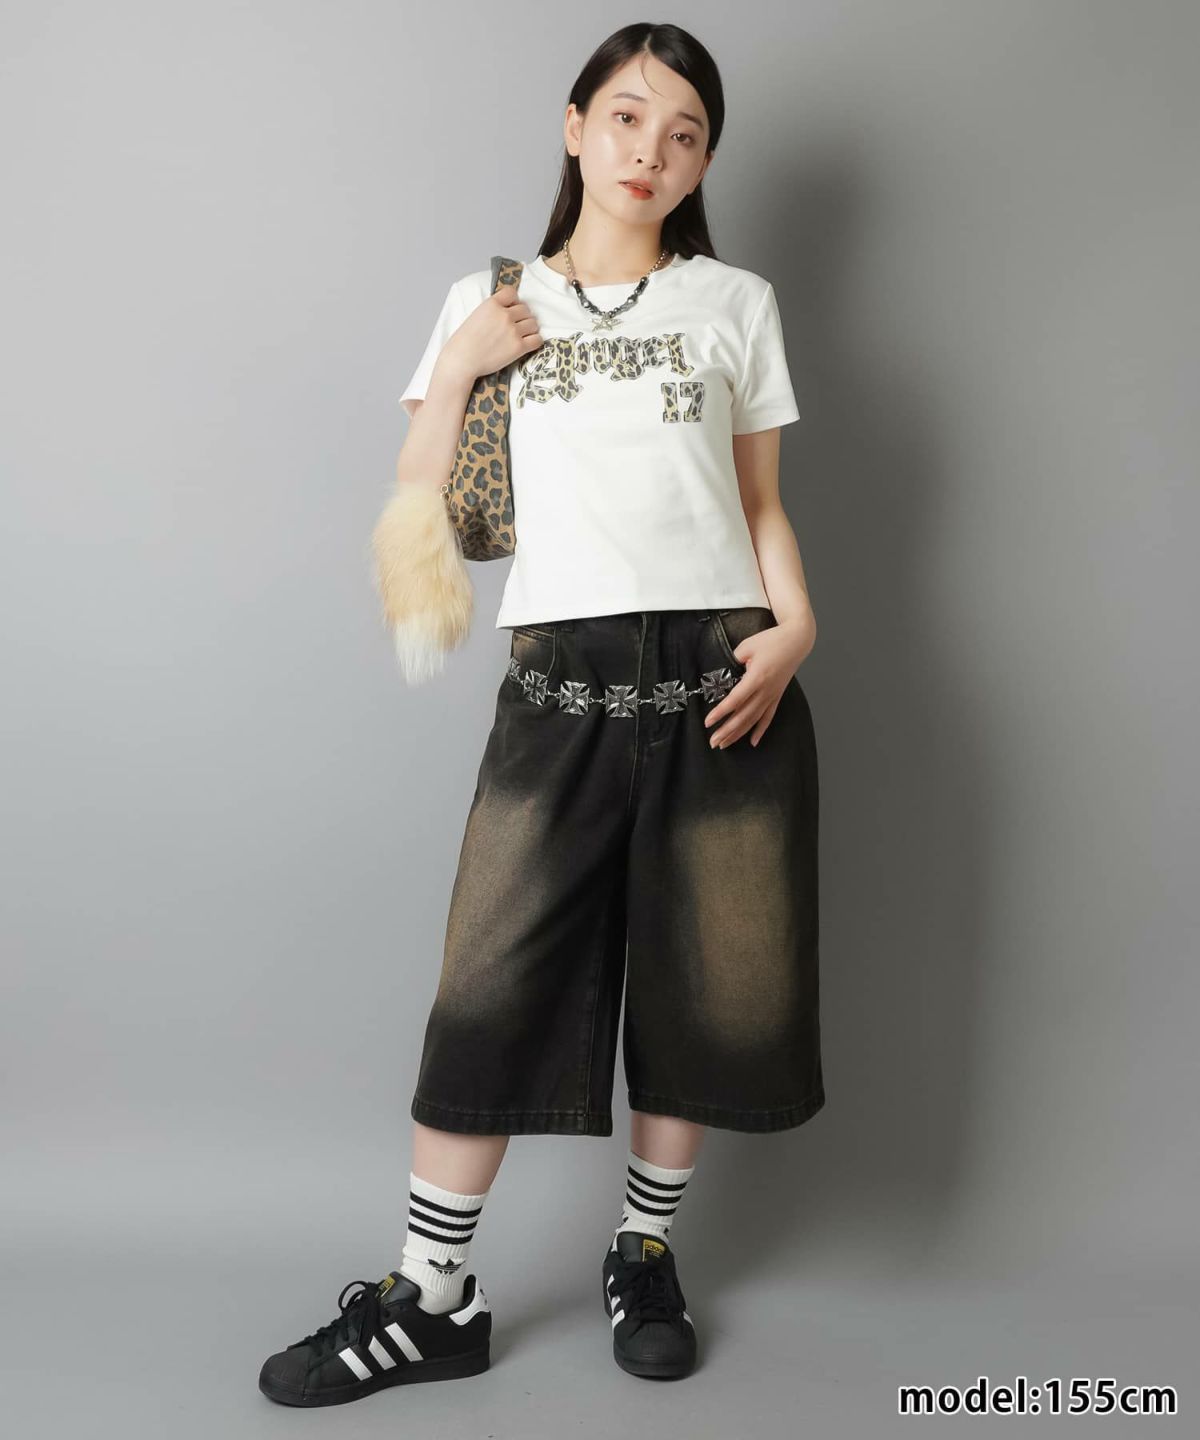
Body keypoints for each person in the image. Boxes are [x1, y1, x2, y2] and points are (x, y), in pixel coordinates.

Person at [258, 21, 824, 1407]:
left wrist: (800, 626)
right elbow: (421, 491)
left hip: (723, 681)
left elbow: (758, 503)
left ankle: (646, 1252)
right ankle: (432, 1297)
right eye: (627, 117)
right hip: (560, 683)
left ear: (704, 162)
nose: (651, 151)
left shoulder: (734, 301)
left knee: (709, 983)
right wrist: (463, 359)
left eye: (684, 133)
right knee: (489, 988)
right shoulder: (490, 296)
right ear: (576, 127)